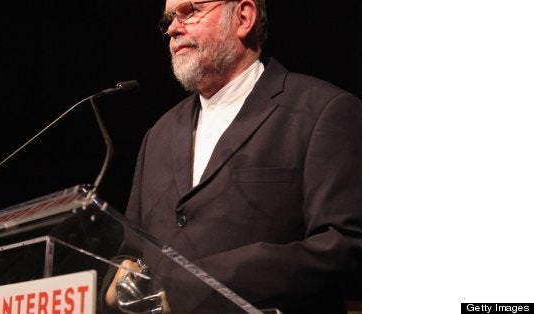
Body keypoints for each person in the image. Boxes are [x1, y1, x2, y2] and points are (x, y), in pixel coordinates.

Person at [102, 0, 361, 313]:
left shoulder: (322, 111)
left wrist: (193, 286)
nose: (172, 28)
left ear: (243, 17)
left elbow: (346, 245)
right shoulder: (158, 135)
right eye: (169, 18)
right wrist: (113, 288)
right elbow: (129, 251)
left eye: (190, 11)